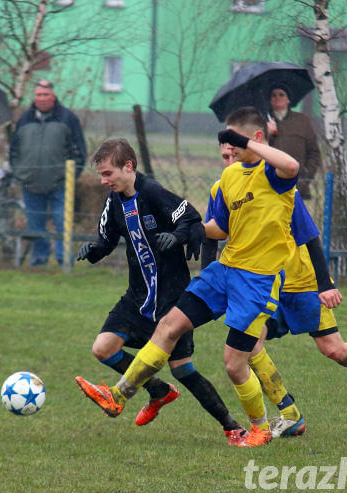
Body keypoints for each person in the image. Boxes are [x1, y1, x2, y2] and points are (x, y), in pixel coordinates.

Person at [75, 107, 300, 447]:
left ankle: (259, 428)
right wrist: (189, 232)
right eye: (225, 143)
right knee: (169, 326)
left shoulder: (273, 175)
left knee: (234, 364)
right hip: (225, 271)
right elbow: (219, 228)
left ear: (254, 139)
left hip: (257, 280)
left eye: (233, 142)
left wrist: (180, 231)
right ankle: (119, 396)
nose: (227, 149)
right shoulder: (228, 179)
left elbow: (292, 166)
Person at [209, 140, 347, 439]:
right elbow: (219, 232)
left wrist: (325, 284)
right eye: (225, 156)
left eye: (234, 154)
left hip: (300, 280)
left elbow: (310, 236)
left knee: (333, 349)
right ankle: (289, 413)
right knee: (250, 343)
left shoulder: (277, 183)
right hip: (262, 282)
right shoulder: (223, 187)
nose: (229, 161)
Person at [8, 80, 86, 266]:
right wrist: (20, 173)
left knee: (62, 223)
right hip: (30, 183)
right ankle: (40, 259)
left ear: (53, 96)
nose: (41, 99)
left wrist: (70, 176)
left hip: (60, 184)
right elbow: (14, 150)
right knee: (35, 225)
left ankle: (63, 259)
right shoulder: (24, 119)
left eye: (45, 95)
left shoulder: (68, 118)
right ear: (33, 98)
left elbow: (79, 152)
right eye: (38, 95)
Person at [267, 83, 322, 200]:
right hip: (270, 187)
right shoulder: (262, 122)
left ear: (288, 100)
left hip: (297, 186)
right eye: (274, 95)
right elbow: (257, 152)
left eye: (281, 95)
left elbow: (314, 153)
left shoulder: (302, 121)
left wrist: (306, 176)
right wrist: (268, 134)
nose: (277, 98)